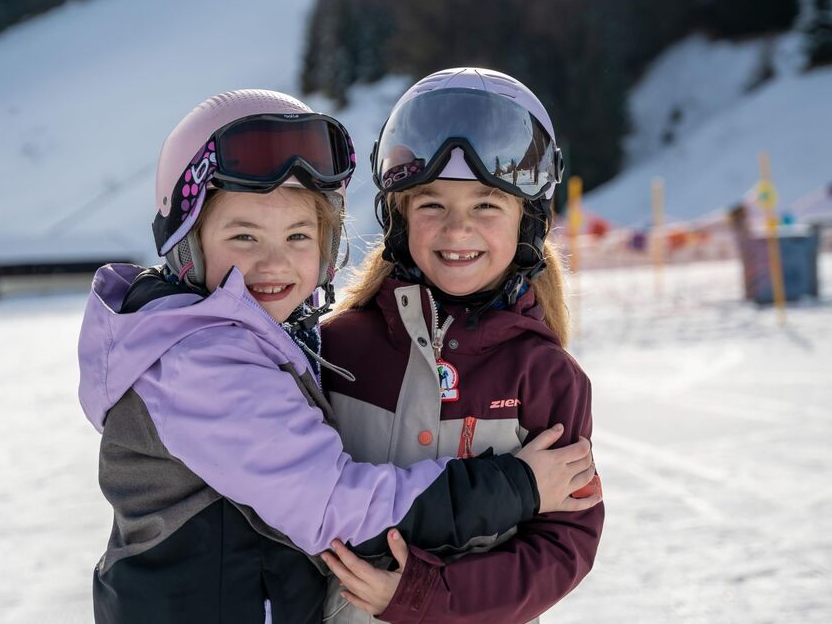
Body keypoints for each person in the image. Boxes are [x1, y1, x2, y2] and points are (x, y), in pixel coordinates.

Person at [77, 89, 599, 624]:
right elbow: (334, 507)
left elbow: (565, 544)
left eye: (298, 235)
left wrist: (436, 595)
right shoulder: (293, 354)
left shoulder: (546, 374)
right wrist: (518, 486)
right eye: (243, 236)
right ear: (188, 242)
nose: (274, 262)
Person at [319, 67, 605, 623]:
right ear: (398, 215)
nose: (457, 230)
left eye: (485, 205)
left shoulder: (545, 376)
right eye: (432, 205)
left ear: (528, 221)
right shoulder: (337, 350)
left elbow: (564, 547)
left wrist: (425, 597)